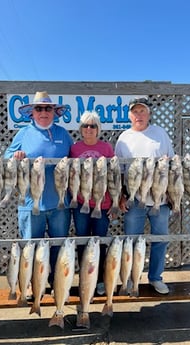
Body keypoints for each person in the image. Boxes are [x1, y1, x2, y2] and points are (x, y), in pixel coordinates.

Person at [4, 91, 73, 285]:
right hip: (30, 202)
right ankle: (33, 286)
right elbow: (6, 157)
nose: (44, 112)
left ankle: (56, 284)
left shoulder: (63, 134)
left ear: (54, 112)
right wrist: (15, 156)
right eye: (39, 108)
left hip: (59, 203)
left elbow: (76, 159)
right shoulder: (23, 133)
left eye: (48, 108)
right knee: (30, 248)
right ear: (32, 113)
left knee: (58, 248)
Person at [115, 96, 174, 294]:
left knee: (160, 240)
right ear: (129, 115)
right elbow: (119, 172)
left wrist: (173, 194)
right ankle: (131, 279)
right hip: (134, 199)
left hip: (161, 199)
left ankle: (155, 278)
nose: (139, 115)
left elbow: (172, 164)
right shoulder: (123, 138)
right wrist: (121, 197)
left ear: (148, 113)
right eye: (135, 111)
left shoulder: (160, 133)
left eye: (142, 111)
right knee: (131, 241)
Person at [69, 110, 114, 295]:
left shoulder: (107, 148)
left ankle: (101, 279)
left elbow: (114, 177)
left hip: (102, 205)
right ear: (80, 129)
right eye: (85, 125)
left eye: (92, 126)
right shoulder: (74, 149)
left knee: (100, 242)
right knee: (82, 242)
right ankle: (84, 279)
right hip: (80, 203)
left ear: (98, 129)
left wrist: (115, 201)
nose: (89, 129)